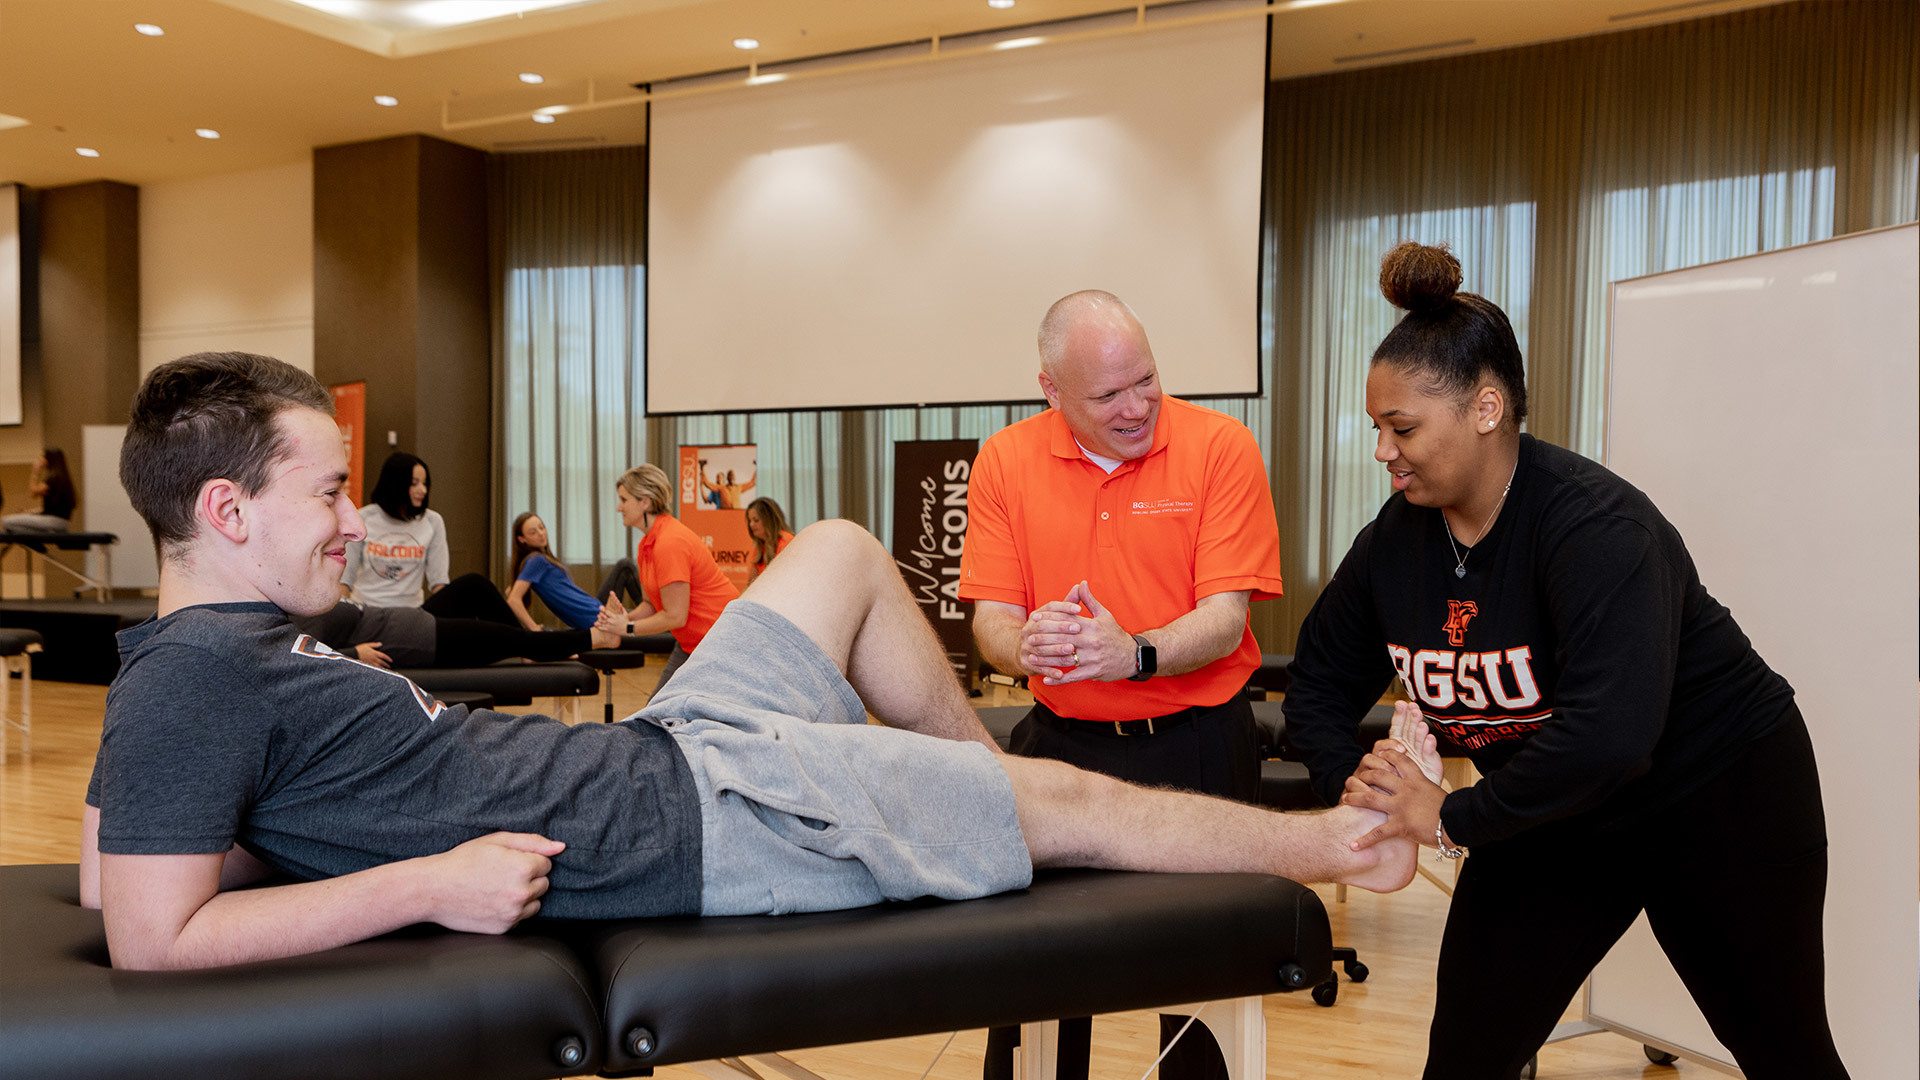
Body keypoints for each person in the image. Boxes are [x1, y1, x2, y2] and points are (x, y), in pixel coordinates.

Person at [80, 351, 1417, 973]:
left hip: (658, 753)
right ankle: (1333, 848)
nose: (350, 519)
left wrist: (302, 844)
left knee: (838, 550)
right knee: (1060, 795)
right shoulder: (197, 675)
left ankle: (977, 802)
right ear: (227, 512)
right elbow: (146, 929)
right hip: (698, 822)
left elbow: (112, 865)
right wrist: (424, 880)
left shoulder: (214, 656)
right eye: (327, 493)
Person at [1283, 243, 1850, 1079]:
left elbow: (1610, 736)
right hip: (1551, 813)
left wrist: (1450, 818)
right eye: (1376, 429)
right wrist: (1366, 794)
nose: (1383, 451)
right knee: (1467, 1058)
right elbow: (1318, 687)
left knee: (1785, 1052)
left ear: (1486, 408)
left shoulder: (1596, 529)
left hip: (1718, 794)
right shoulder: (1392, 546)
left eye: (1402, 428)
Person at [959, 290, 1284, 1080]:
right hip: (1060, 749)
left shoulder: (1220, 446)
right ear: (1052, 391)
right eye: (1109, 395)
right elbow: (991, 620)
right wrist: (1022, 645)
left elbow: (1223, 618)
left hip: (1197, 744)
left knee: (1204, 981)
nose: (1138, 407)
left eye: (1147, 380)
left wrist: (1133, 653)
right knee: (1036, 974)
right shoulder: (1006, 459)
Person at [598, 464, 742, 690]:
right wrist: (623, 620)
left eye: (624, 500)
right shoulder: (647, 544)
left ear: (645, 502)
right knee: (657, 708)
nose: (619, 507)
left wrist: (627, 628)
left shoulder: (670, 542)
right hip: (691, 644)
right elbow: (651, 605)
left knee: (667, 710)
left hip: (722, 643)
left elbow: (675, 617)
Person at [289, 599, 620, 669]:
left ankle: (592, 637)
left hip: (424, 627)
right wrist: (355, 654)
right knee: (517, 640)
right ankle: (598, 637)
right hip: (426, 642)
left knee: (512, 638)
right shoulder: (297, 620)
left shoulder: (301, 604)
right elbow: (302, 658)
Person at [342, 451, 447, 607]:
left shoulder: (433, 521)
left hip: (410, 612)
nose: (423, 490)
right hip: (366, 609)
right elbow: (345, 579)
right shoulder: (363, 518)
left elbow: (439, 582)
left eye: (424, 483)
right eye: (414, 483)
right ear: (396, 484)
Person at [505, 511, 640, 631]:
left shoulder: (537, 561)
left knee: (639, 614)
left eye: (542, 527)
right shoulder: (536, 560)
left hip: (595, 608)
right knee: (625, 566)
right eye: (533, 532)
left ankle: (649, 610)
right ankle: (650, 608)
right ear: (522, 539)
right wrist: (534, 628)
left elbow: (510, 592)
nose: (541, 533)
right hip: (593, 617)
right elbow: (513, 599)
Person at [2, 448, 77, 533]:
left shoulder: (53, 478)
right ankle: (43, 534)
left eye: (43, 457)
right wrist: (29, 512)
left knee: (6, 521)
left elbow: (33, 493)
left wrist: (35, 471)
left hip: (52, 522)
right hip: (62, 522)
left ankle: (43, 534)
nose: (41, 459)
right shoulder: (63, 478)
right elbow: (50, 509)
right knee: (16, 528)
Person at [744, 497, 793, 582]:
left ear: (769, 520)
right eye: (750, 520)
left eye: (756, 520)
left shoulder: (786, 540)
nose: (751, 524)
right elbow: (751, 582)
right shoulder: (760, 547)